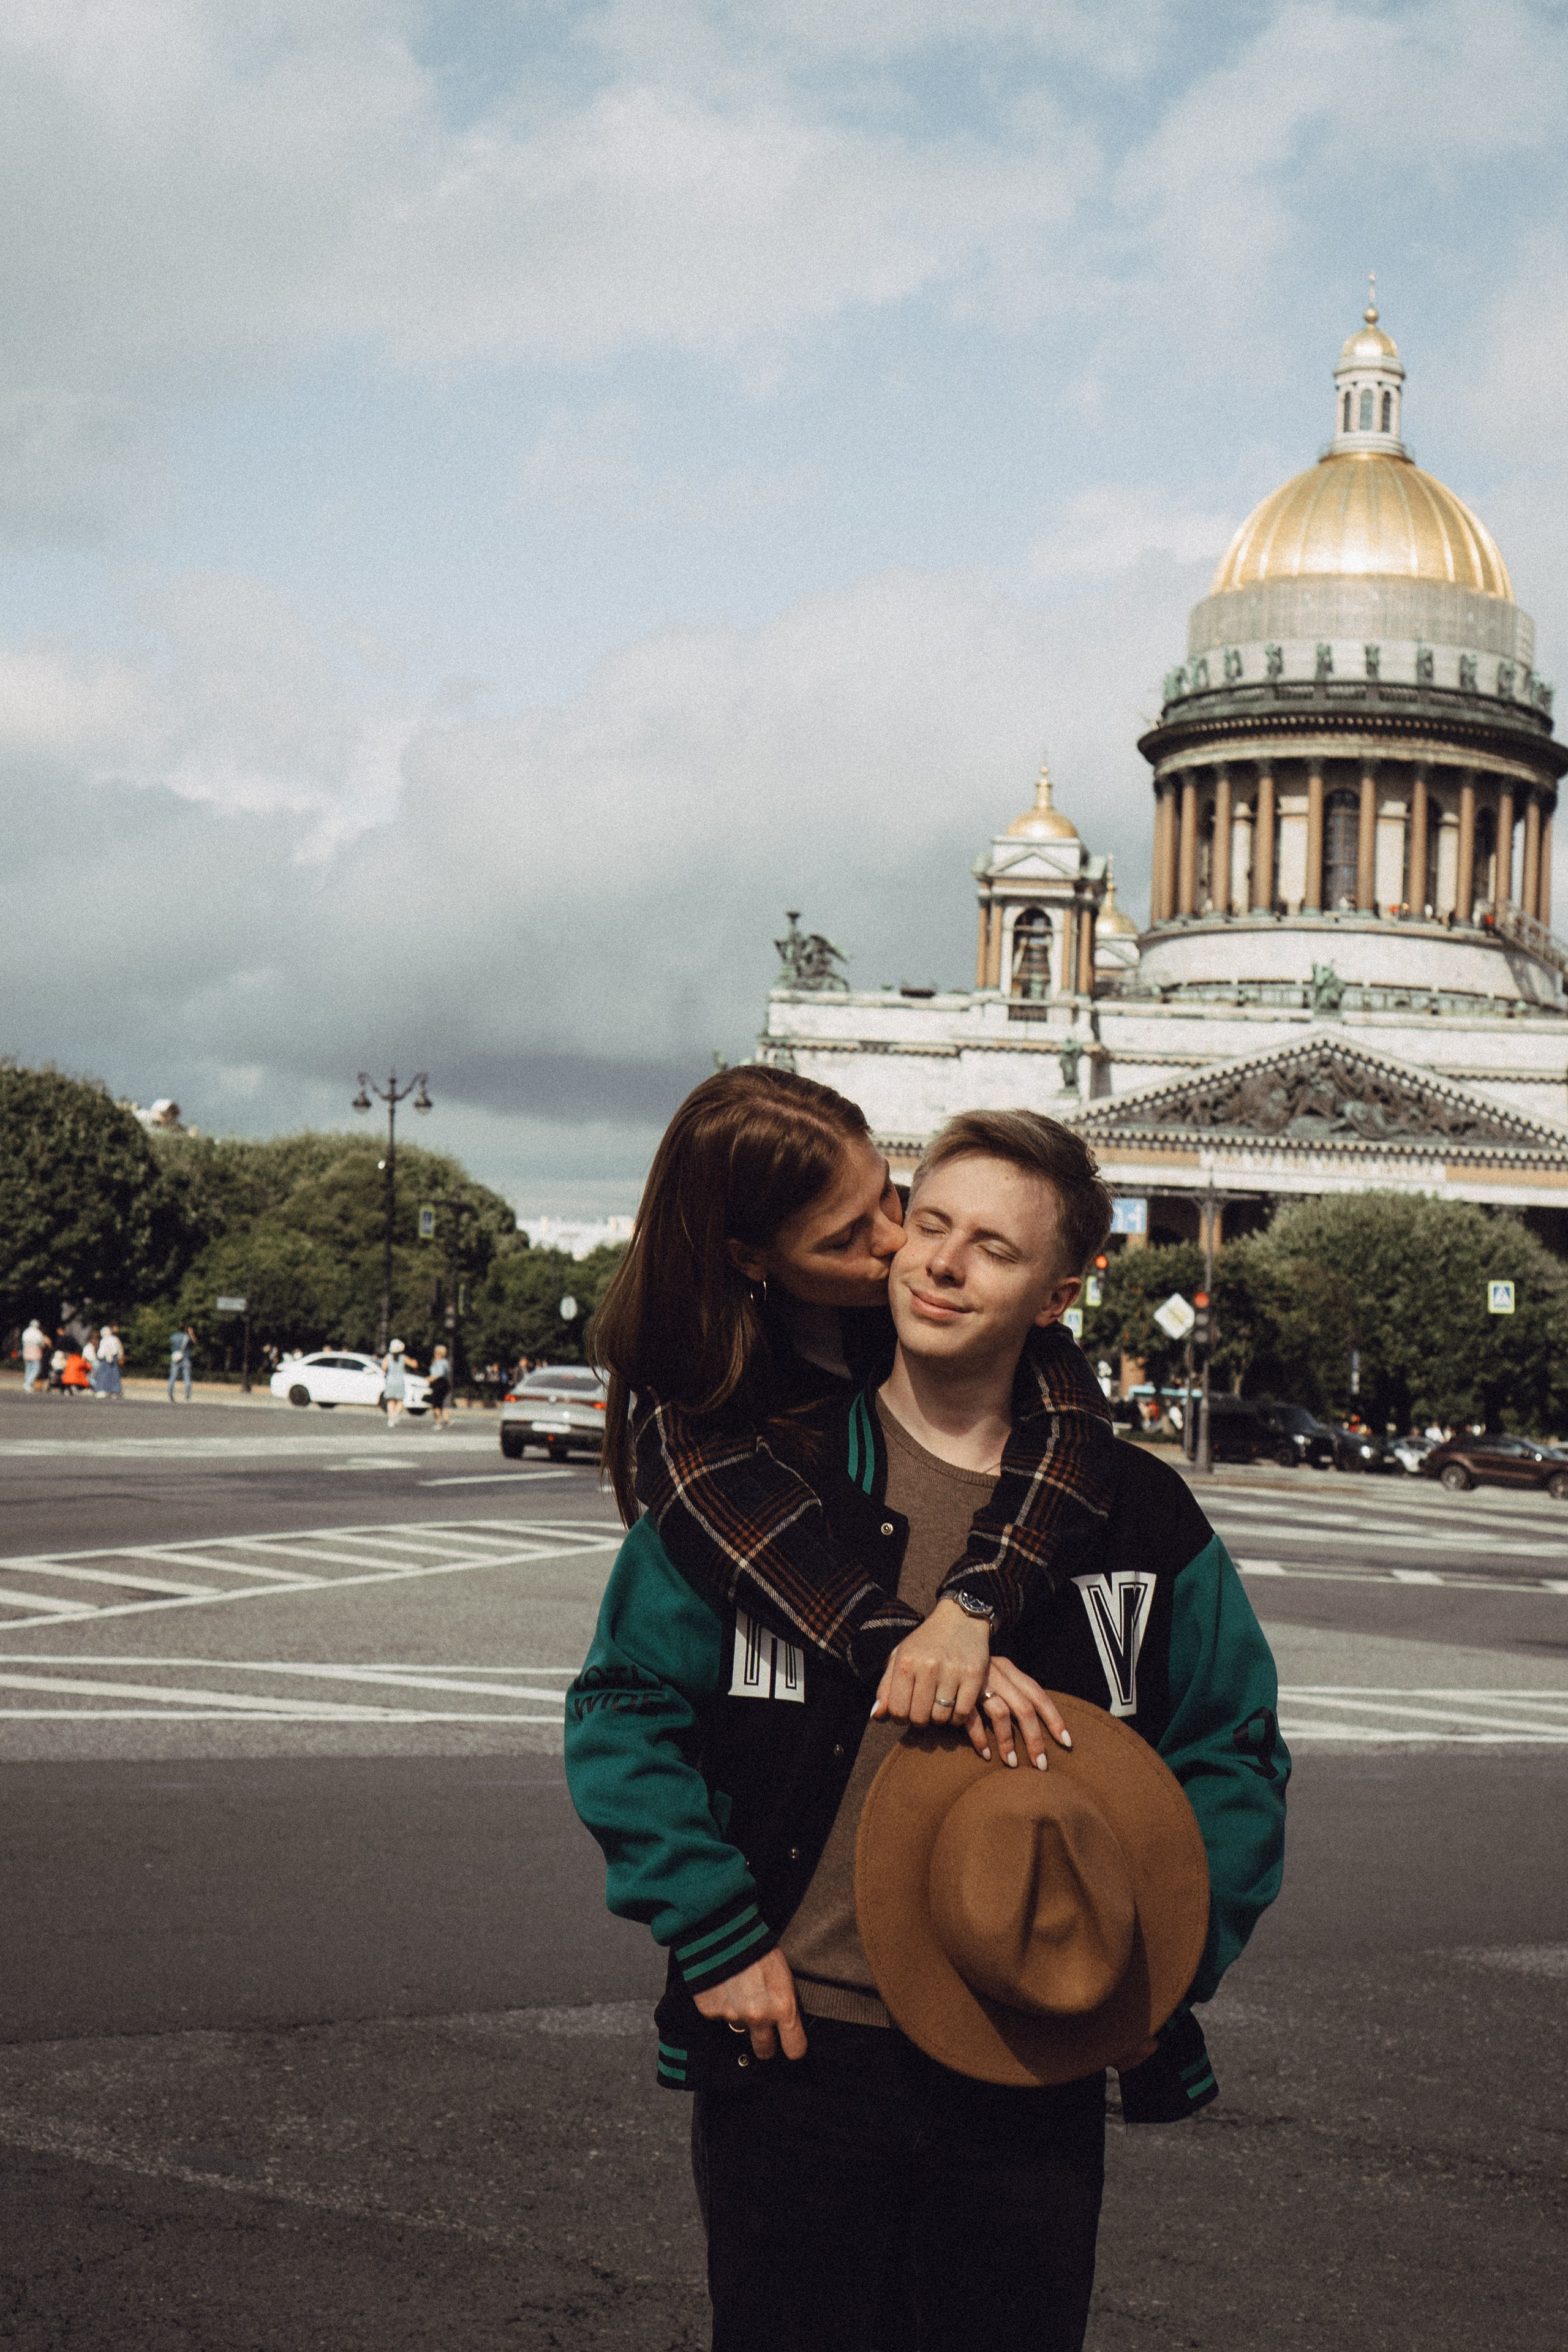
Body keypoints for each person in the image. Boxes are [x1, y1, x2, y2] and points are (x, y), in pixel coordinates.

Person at [567, 1107, 1288, 2352]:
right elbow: (625, 1713)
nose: (936, 1263)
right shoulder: (758, 1477)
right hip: (794, 2049)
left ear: (1056, 1295)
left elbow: (1230, 1756)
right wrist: (718, 1938)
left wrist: (1154, 1954)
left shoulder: (1135, 1518)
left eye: (990, 1250)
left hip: (1028, 2061)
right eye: (927, 1225)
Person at [592, 1066, 1118, 1725]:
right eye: (844, 1238)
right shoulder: (691, 1386)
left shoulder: (937, 1298)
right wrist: (912, 1648)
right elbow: (770, 1554)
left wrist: (971, 1606)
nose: (899, 1242)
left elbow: (1072, 1427)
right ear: (750, 1259)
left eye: (889, 1197)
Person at [94, 1323, 125, 1400]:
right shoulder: (115, 1339)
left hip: (105, 1360)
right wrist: (120, 1357)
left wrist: (100, 1357)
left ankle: (103, 1390)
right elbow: (120, 1349)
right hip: (114, 1359)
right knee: (115, 1375)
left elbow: (102, 1351)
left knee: (104, 1375)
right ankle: (116, 1391)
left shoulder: (104, 1340)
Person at [382, 1339, 408, 1427]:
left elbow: (384, 1368)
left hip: (390, 1381)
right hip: (400, 1381)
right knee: (400, 1401)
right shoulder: (403, 1357)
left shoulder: (388, 1357)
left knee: (391, 1401)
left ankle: (391, 1420)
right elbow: (414, 1364)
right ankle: (396, 1413)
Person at [427, 1344, 454, 1428]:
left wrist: (430, 1378)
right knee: (440, 1403)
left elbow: (440, 1374)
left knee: (436, 1405)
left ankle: (438, 1423)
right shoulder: (444, 1362)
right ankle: (447, 1420)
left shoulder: (440, 1362)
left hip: (439, 1384)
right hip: (444, 1384)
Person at [168, 1325, 195, 1404]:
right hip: (185, 1358)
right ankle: (187, 1397)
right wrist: (191, 1333)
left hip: (176, 1358)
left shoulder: (173, 1336)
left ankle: (171, 1396)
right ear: (186, 1330)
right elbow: (194, 1342)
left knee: (172, 1378)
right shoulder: (187, 1337)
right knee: (187, 1378)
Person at [20, 1318, 46, 1396]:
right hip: (35, 1352)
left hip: (26, 1352)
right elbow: (42, 1343)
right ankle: (28, 1383)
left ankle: (27, 1383)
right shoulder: (38, 1333)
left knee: (28, 1369)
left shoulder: (26, 1332)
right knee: (36, 1369)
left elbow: (23, 1341)